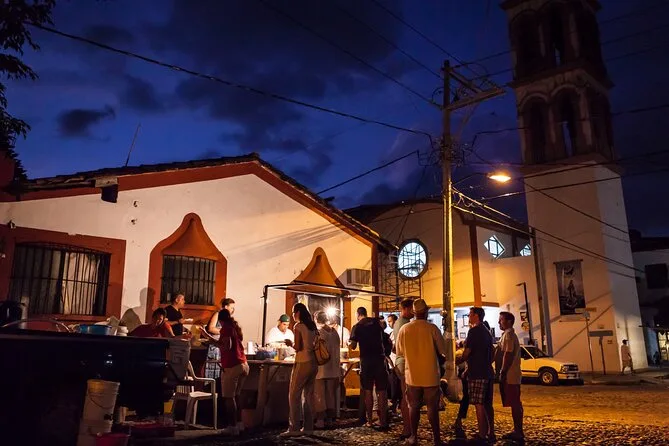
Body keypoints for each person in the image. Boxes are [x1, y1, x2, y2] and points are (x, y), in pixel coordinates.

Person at [396, 298, 447, 446]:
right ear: (425, 312)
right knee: (432, 408)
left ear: (414, 312)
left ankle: (413, 437)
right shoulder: (432, 328)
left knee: (413, 407)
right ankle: (436, 439)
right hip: (430, 374)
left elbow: (399, 352)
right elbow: (442, 351)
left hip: (412, 374)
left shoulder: (404, 329)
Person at [199, 309, 248, 435]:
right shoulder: (235, 327)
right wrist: (209, 337)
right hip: (243, 364)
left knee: (229, 398)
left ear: (220, 320)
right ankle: (240, 424)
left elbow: (226, 346)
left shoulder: (226, 329)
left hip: (232, 366)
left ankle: (232, 427)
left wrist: (208, 337)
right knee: (237, 396)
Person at [456, 307, 495, 443]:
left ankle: (482, 434)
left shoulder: (474, 331)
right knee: (487, 403)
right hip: (487, 371)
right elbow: (492, 352)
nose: (468, 317)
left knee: (479, 403)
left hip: (478, 372)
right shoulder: (486, 332)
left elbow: (467, 352)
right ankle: (491, 432)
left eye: (470, 314)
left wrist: (458, 360)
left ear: (476, 316)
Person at [349, 306, 391, 430]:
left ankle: (369, 421)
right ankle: (383, 421)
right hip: (380, 359)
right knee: (382, 391)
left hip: (366, 360)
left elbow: (353, 345)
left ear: (358, 314)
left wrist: (348, 342)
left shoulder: (357, 326)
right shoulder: (376, 323)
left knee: (367, 390)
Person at [281, 303, 318, 437]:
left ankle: (294, 427)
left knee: (294, 395)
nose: (292, 315)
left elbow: (298, 347)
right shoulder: (312, 326)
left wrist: (290, 344)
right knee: (308, 395)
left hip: (302, 362)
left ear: (298, 313)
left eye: (293, 312)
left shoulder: (298, 326)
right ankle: (308, 427)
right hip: (313, 363)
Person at [496, 311, 524, 442]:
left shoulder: (508, 335)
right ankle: (517, 430)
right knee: (515, 402)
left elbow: (508, 354)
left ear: (509, 321)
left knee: (515, 402)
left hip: (510, 374)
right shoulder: (507, 335)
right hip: (512, 374)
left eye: (501, 320)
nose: (499, 322)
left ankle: (518, 431)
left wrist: (503, 371)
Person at [314, 311, 341, 429]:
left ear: (316, 319)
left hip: (321, 368)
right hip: (334, 368)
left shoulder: (319, 332)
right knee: (331, 395)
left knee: (319, 395)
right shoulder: (335, 332)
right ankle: (330, 420)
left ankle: (320, 420)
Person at [392, 298, 414, 439]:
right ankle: (407, 428)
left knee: (408, 395)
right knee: (407, 395)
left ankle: (409, 427)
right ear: (405, 309)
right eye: (412, 309)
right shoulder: (403, 324)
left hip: (402, 361)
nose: (413, 311)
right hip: (405, 362)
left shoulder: (402, 323)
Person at [205, 298, 236, 379]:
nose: (233, 310)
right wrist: (224, 331)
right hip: (216, 347)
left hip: (223, 346)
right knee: (215, 369)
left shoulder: (228, 318)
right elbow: (211, 328)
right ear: (226, 307)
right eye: (231, 307)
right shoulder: (217, 314)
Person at [453, 341, 469, 438]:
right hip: (465, 374)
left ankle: (459, 420)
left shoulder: (459, 352)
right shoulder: (461, 352)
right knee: (466, 398)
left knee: (466, 398)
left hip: (465, 374)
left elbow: (457, 361)